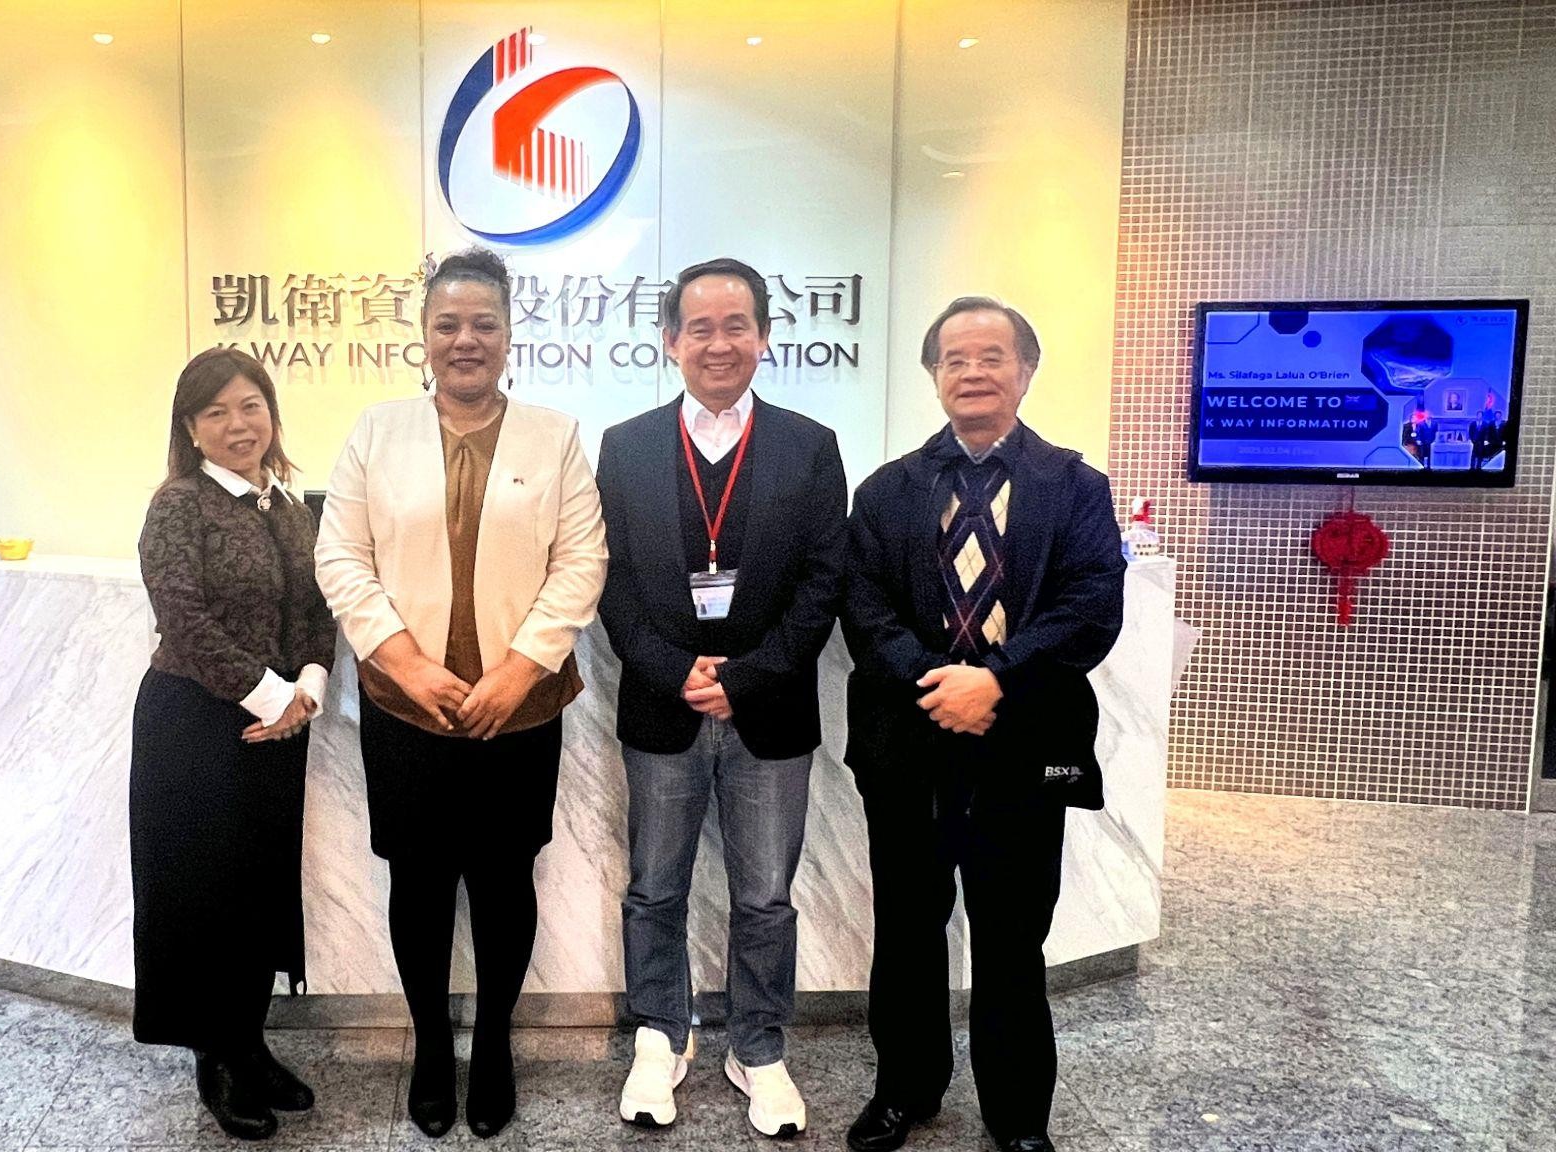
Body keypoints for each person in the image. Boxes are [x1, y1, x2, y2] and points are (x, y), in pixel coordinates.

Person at [315, 247, 607, 1140]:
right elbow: (341, 557)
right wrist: (407, 663)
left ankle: (494, 1049)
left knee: (505, 879)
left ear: (510, 334)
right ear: (425, 334)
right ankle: (434, 1047)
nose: (465, 339)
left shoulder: (555, 437)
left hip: (520, 711)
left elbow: (581, 562)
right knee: (420, 882)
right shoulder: (377, 432)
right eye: (448, 324)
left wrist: (518, 671)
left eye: (484, 323)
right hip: (408, 711)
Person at [841, 298, 1126, 1152]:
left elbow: (1091, 607)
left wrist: (995, 680)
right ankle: (905, 1090)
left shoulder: (1075, 487)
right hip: (908, 741)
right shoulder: (888, 489)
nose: (973, 372)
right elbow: (864, 607)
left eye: (992, 356)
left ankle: (1018, 1116)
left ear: (1026, 371)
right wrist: (939, 684)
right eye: (955, 358)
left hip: (1025, 741)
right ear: (934, 375)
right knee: (906, 928)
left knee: (1011, 936)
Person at [596, 257, 847, 1138]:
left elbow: (823, 583)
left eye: (736, 325)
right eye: (698, 327)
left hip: (768, 713)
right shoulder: (625, 446)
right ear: (670, 340)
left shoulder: (809, 446)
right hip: (662, 707)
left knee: (765, 897)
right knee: (653, 889)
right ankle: (660, 1036)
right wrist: (677, 671)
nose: (718, 343)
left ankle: (758, 1047)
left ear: (764, 337)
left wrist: (742, 678)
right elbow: (612, 583)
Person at [128, 346, 337, 1142]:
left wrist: (308, 688)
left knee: (258, 891)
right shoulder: (179, 506)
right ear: (190, 428)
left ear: (271, 414)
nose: (237, 424)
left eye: (251, 406)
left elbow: (315, 610)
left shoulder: (287, 505)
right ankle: (214, 1057)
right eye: (215, 412)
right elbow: (183, 620)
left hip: (277, 724)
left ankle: (250, 1042)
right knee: (201, 896)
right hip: (195, 724)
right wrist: (274, 697)